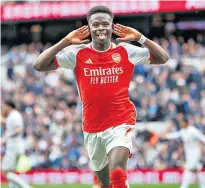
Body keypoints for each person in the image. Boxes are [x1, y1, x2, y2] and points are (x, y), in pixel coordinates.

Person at [33, 5, 169, 188]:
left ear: (112, 27)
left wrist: (140, 38)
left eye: (105, 24)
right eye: (95, 24)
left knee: (118, 173)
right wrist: (65, 42)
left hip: (121, 121)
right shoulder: (78, 53)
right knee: (105, 184)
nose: (100, 28)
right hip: (92, 127)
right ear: (88, 28)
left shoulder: (126, 51)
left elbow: (163, 58)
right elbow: (39, 65)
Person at [163, 117, 205, 188]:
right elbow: (176, 135)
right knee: (196, 170)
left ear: (186, 122)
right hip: (188, 154)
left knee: (188, 169)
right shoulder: (183, 131)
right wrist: (167, 136)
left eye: (182, 122)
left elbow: (202, 137)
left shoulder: (193, 130)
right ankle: (203, 186)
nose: (181, 124)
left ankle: (183, 186)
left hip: (195, 153)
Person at [1, 100, 32, 188]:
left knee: (5, 171)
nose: (3, 108)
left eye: (4, 106)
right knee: (11, 171)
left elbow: (19, 129)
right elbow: (8, 123)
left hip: (14, 147)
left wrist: (6, 137)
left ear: (8, 106)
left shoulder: (14, 115)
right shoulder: (13, 115)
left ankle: (26, 187)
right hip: (15, 146)